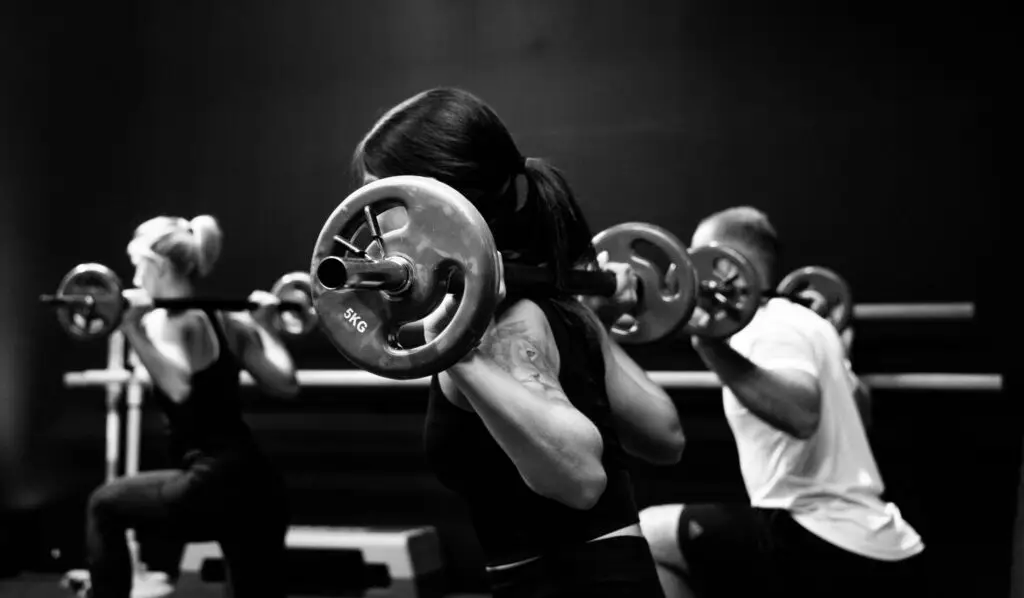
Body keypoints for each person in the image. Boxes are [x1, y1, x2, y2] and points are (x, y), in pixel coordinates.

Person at [351, 87, 686, 597]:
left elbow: (581, 479)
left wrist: (456, 351)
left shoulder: (500, 328)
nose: (370, 227)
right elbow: (664, 436)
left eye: (382, 198)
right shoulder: (564, 307)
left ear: (438, 198)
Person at [638, 206, 924, 598]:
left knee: (646, 535)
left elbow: (802, 414)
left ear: (722, 262)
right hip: (873, 539)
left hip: (820, 533)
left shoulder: (766, 325)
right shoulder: (811, 325)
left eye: (696, 253)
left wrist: (706, 342)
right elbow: (862, 414)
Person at [75, 215, 299, 598]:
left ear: (157, 265)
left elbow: (178, 387)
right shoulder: (229, 319)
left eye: (137, 265)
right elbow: (287, 384)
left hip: (210, 481)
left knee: (103, 505)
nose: (134, 276)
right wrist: (264, 326)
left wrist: (131, 328)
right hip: (258, 486)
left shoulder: (168, 321)